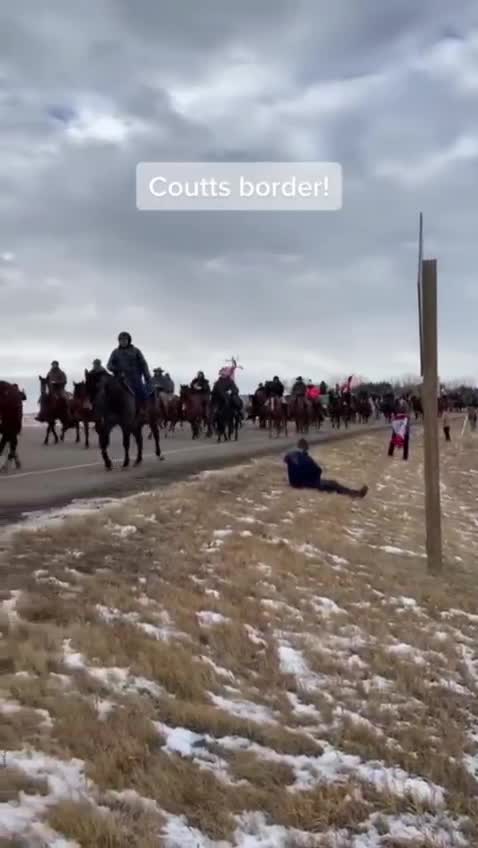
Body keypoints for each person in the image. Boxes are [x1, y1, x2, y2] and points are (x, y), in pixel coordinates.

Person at [284, 439, 368, 498]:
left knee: (332, 483)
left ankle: (353, 493)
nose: (307, 450)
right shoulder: (300, 457)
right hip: (305, 482)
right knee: (333, 485)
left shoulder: (295, 455)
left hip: (301, 481)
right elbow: (316, 470)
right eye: (306, 448)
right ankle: (354, 494)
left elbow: (288, 460)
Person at [107, 332, 152, 411]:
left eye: (125, 340)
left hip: (134, 377)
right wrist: (117, 369)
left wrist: (147, 376)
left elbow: (143, 364)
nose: (123, 341)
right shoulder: (115, 352)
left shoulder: (136, 351)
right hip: (120, 378)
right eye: (121, 340)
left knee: (142, 392)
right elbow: (109, 365)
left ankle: (143, 410)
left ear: (128, 340)